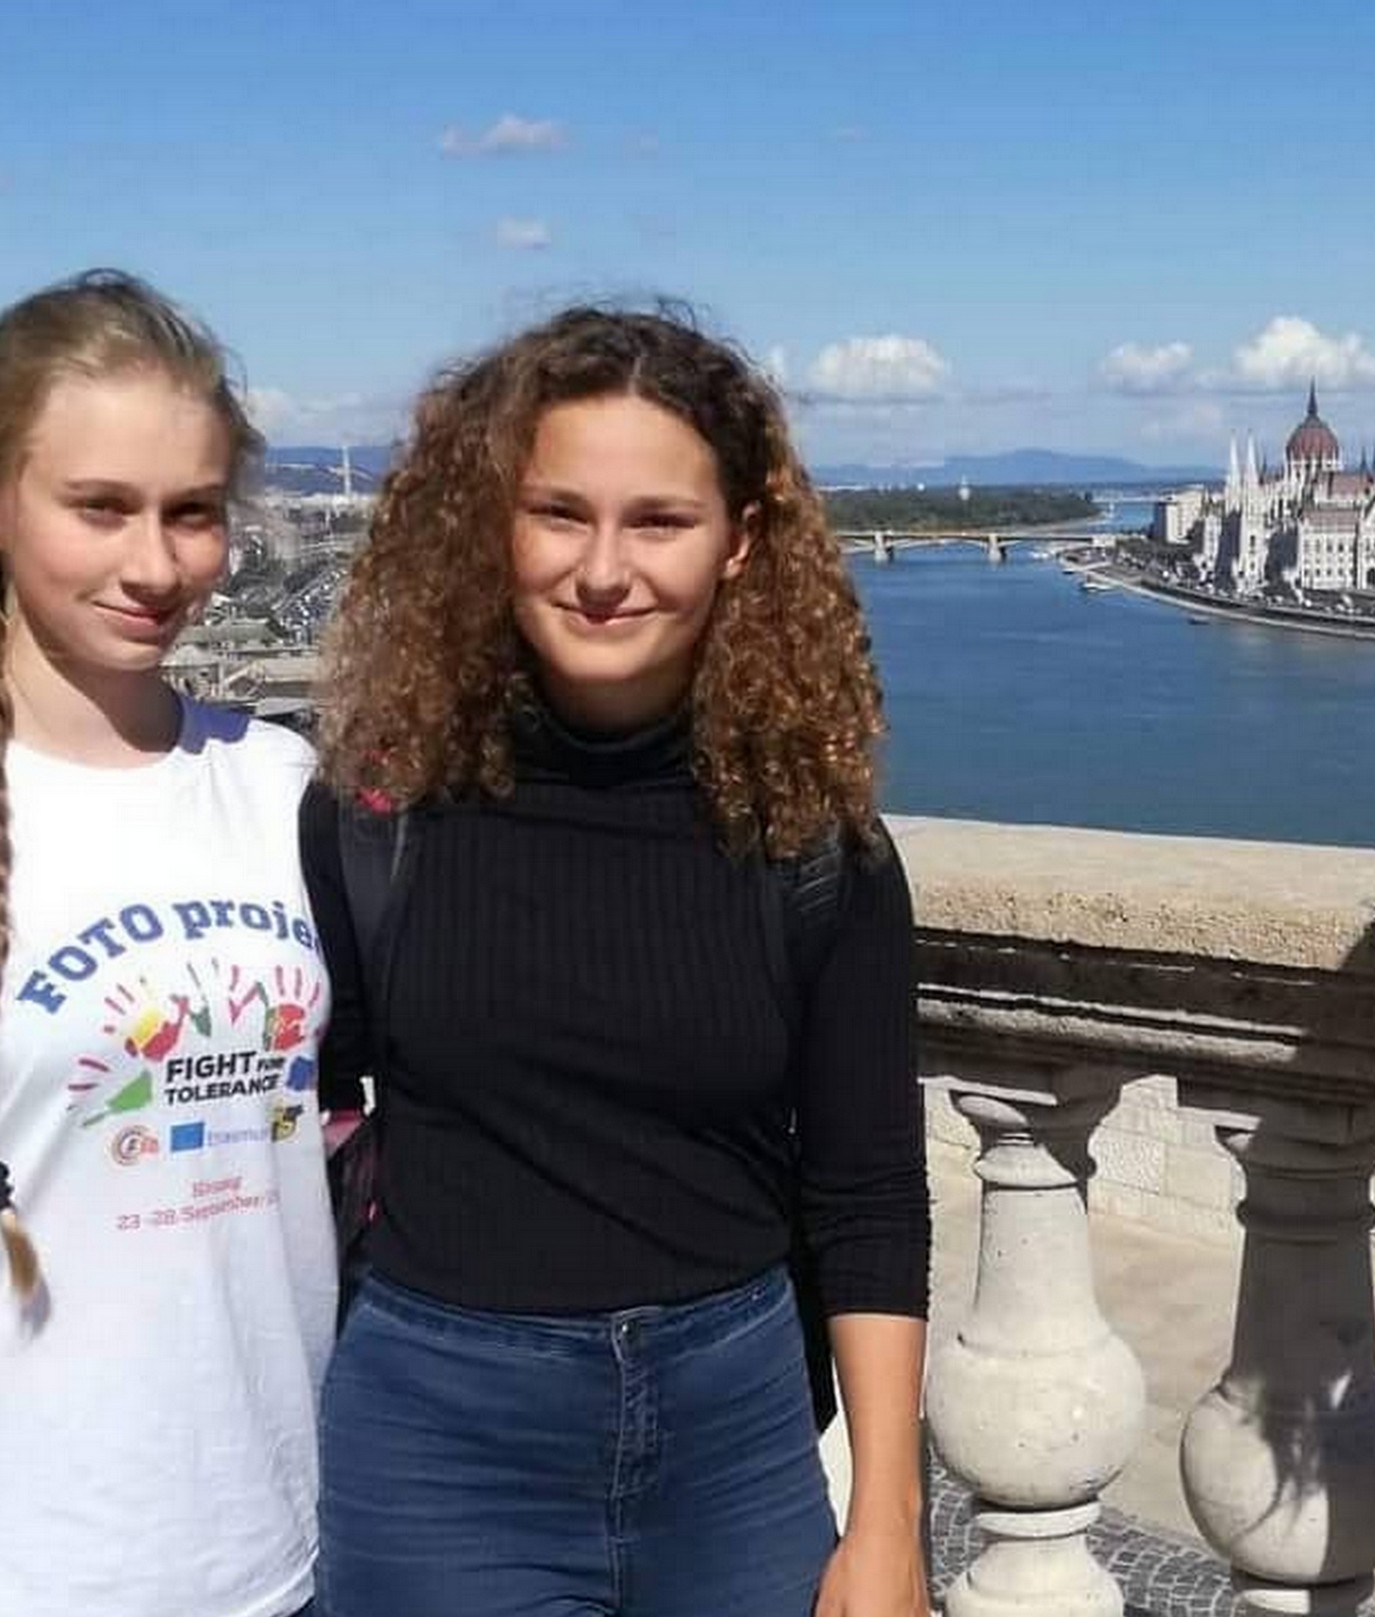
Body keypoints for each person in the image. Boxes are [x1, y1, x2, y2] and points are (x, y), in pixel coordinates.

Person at [303, 302, 932, 1617]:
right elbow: (303, 1114)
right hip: (439, 1441)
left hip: (735, 1437)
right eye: (558, 514)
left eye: (658, 521)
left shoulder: (810, 845)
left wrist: (886, 1523)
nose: (603, 569)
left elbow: (867, 1194)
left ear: (738, 542)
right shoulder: (377, 812)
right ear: (497, 525)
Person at [0, 270, 334, 1615]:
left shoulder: (279, 785)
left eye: (191, 513)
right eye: (99, 507)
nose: (153, 565)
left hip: (289, 1542)